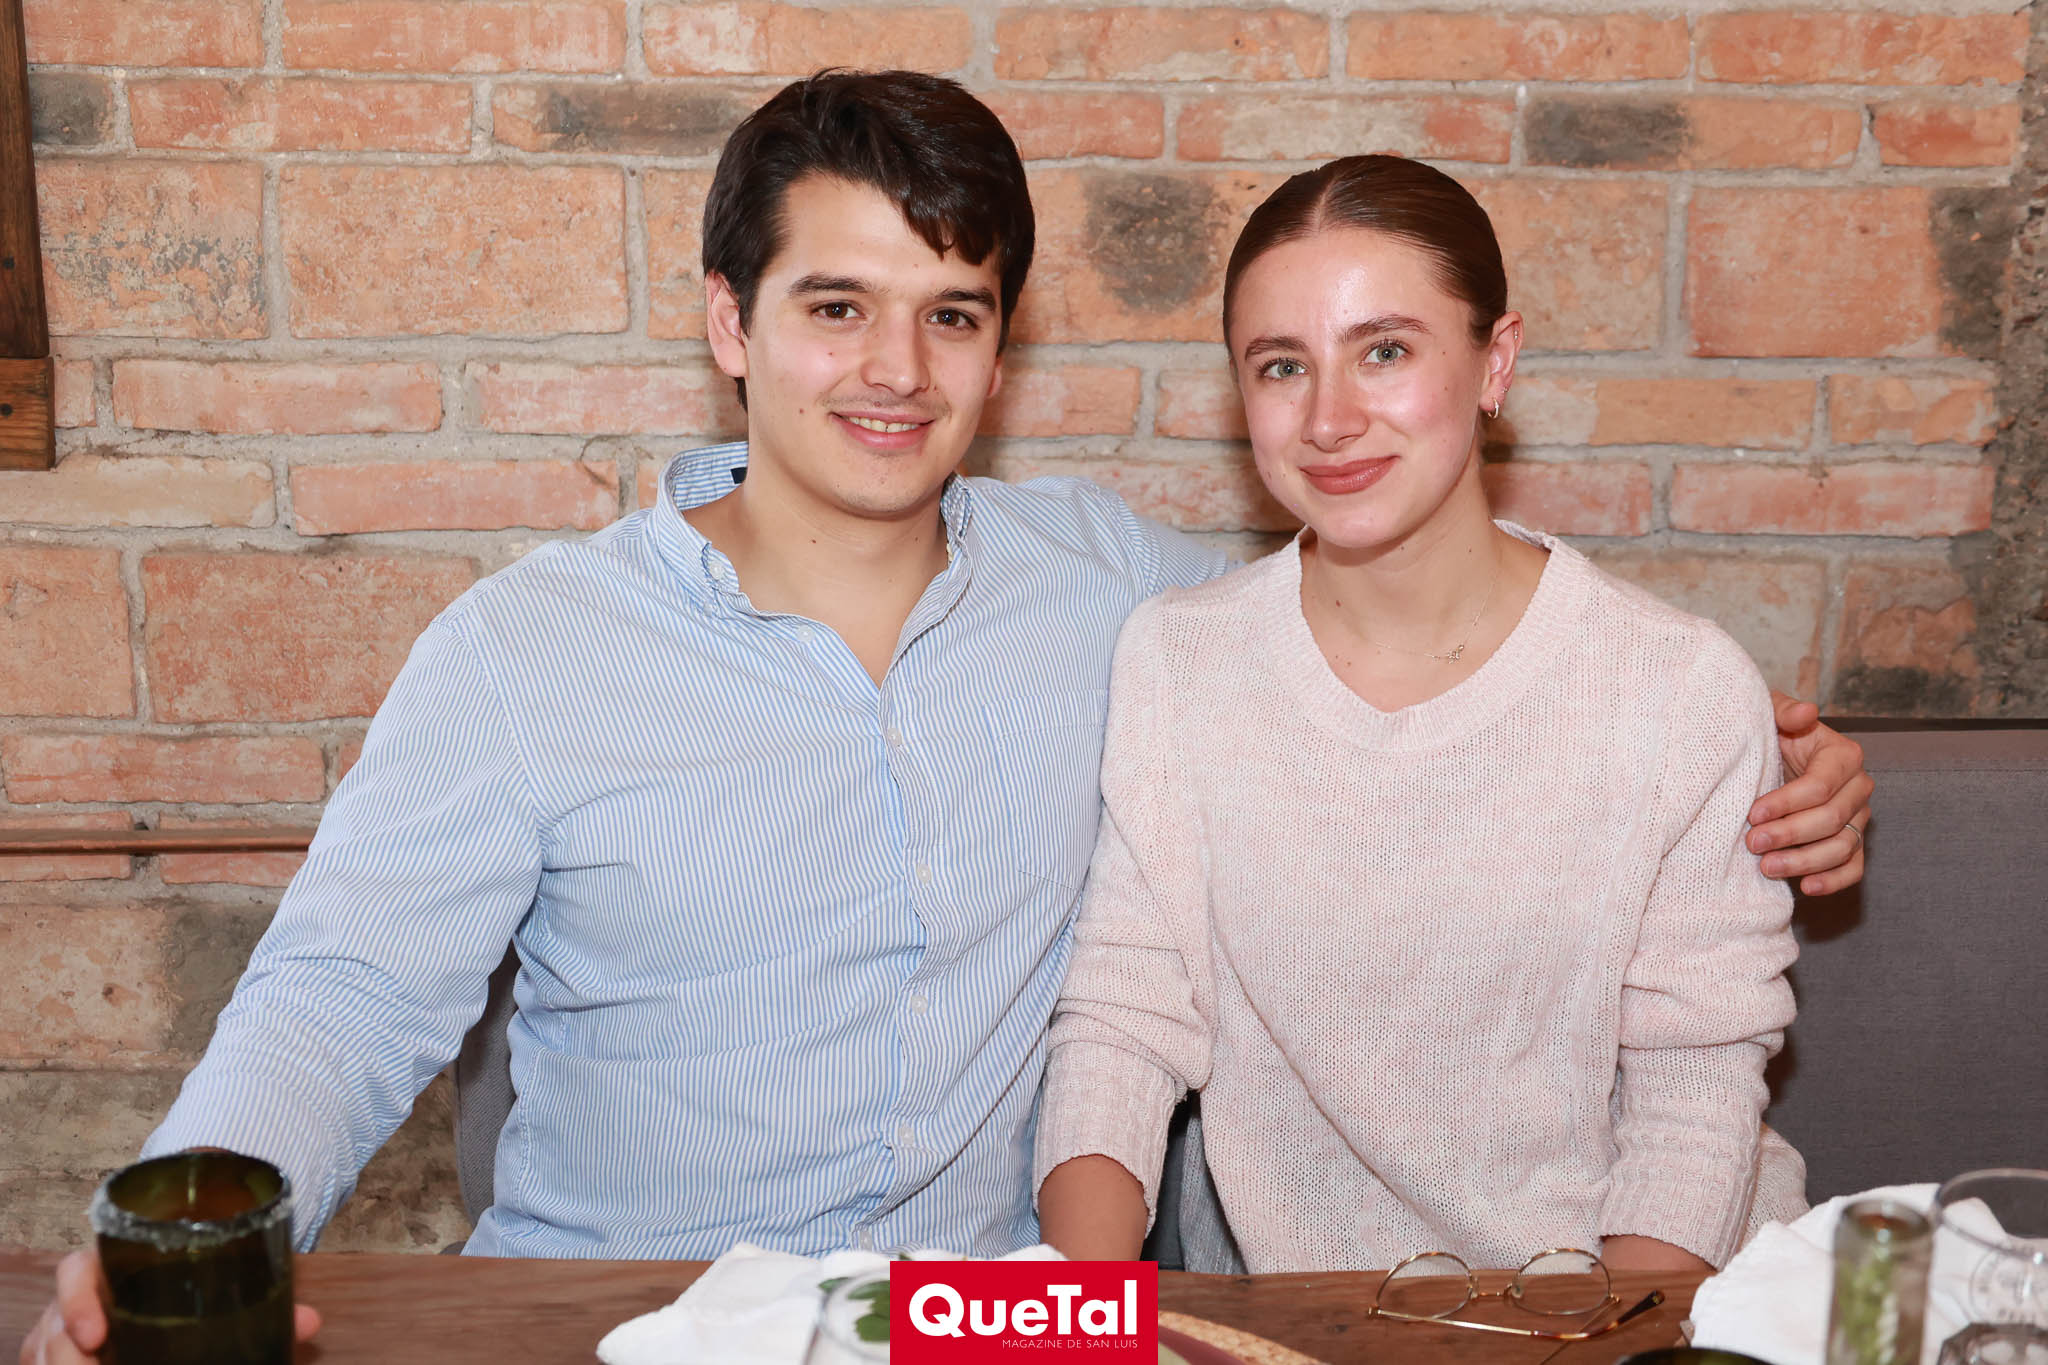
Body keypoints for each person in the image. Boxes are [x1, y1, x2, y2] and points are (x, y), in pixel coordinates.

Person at [23, 75, 1871, 1364]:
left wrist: (1776, 754)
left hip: (988, 1327)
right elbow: (340, 994)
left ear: (1003, 345)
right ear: (729, 325)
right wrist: (165, 1235)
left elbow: (1392, 593)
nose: (896, 373)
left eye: (954, 315)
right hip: (632, 1314)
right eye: (837, 306)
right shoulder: (525, 653)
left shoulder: (1113, 589)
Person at [1035, 155, 1817, 1277]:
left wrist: (1605, 1342)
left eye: (1385, 352)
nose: (1329, 419)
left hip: (1631, 1302)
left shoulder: (1676, 688)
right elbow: (1122, 1019)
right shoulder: (1177, 656)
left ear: (1494, 362)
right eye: (1281, 366)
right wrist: (1081, 1316)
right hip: (1295, 1317)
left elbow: (1692, 1088)